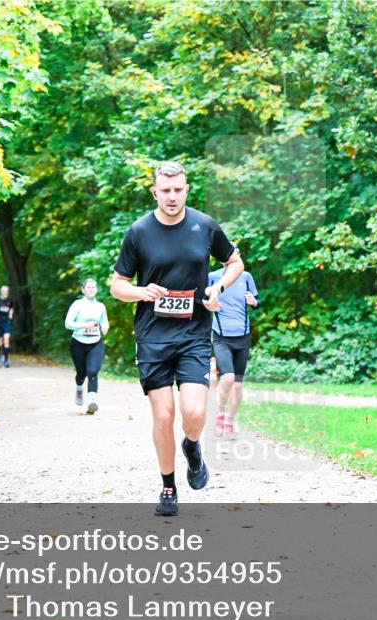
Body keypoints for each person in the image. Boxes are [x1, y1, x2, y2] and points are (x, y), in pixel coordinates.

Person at [110, 161, 244, 517]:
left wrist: (218, 287)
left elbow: (235, 262)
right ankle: (168, 486)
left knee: (194, 413)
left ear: (186, 190)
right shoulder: (139, 232)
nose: (172, 196)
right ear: (155, 192)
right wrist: (141, 292)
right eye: (165, 190)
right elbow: (116, 285)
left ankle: (194, 446)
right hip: (153, 336)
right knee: (164, 415)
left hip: (194, 333)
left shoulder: (204, 225)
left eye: (178, 190)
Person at [208, 265, 259, 439]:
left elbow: (256, 301)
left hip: (242, 337)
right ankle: (220, 414)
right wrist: (208, 305)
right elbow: (202, 299)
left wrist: (254, 302)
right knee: (228, 377)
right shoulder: (213, 277)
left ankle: (230, 422)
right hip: (221, 337)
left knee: (237, 386)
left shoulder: (246, 277)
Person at [65, 278, 110, 414]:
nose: (91, 289)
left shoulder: (100, 306)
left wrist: (105, 327)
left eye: (93, 287)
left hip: (95, 343)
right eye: (88, 287)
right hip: (78, 343)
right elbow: (68, 324)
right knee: (81, 373)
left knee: (93, 371)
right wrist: (84, 325)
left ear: (96, 290)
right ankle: (79, 388)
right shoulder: (77, 305)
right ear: (83, 290)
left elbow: (104, 322)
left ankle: (92, 402)